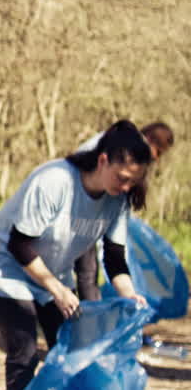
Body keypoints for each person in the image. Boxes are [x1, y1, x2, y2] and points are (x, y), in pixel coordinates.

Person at [0, 120, 150, 390]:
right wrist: (57, 289)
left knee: (74, 350)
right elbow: (19, 244)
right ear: (103, 159)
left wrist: (130, 295)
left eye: (132, 182)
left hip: (51, 273)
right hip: (7, 267)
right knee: (25, 352)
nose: (125, 187)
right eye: (122, 178)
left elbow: (114, 257)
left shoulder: (117, 200)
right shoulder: (55, 181)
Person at [73, 121, 174, 301]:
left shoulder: (120, 194)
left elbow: (114, 253)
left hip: (95, 219)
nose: (156, 159)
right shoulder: (114, 147)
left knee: (89, 271)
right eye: (157, 152)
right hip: (77, 218)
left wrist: (129, 295)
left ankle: (90, 317)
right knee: (86, 272)